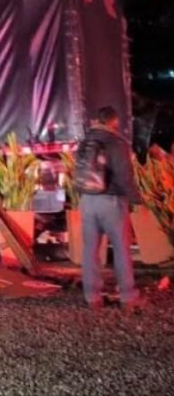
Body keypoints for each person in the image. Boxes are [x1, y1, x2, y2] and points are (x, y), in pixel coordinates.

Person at [79, 105, 144, 312]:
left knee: (90, 249)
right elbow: (124, 175)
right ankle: (127, 296)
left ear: (98, 120)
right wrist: (136, 199)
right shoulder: (117, 143)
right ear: (114, 121)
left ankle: (92, 297)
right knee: (121, 248)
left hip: (87, 200)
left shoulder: (85, 142)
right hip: (111, 201)